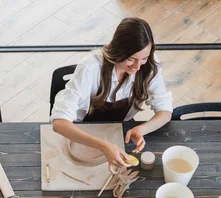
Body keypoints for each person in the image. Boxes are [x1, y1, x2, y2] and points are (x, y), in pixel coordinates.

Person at [51, 17, 173, 169]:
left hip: (121, 130)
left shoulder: (148, 65)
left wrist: (141, 129)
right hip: (84, 130)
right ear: (118, 50)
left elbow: (165, 111)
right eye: (131, 59)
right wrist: (103, 146)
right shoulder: (90, 67)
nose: (137, 66)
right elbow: (59, 124)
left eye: (144, 58)